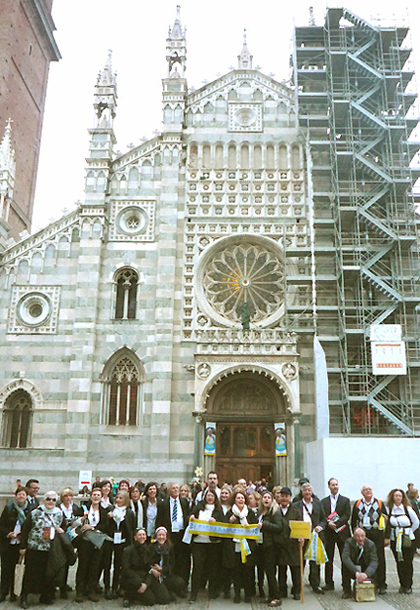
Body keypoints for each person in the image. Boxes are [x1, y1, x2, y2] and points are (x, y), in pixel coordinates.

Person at [19, 491, 64, 609]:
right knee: (30, 573)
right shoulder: (35, 512)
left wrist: (61, 530)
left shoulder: (59, 513)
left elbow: (63, 528)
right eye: (48, 499)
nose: (51, 502)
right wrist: (23, 546)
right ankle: (24, 597)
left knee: (47, 574)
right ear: (44, 500)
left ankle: (44, 595)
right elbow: (26, 530)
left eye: (54, 500)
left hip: (50, 549)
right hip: (34, 547)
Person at [74, 487, 110, 603]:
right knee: (83, 565)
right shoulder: (83, 509)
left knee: (95, 566)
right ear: (90, 496)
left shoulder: (104, 511)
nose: (96, 497)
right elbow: (74, 523)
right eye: (94, 494)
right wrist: (83, 518)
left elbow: (105, 526)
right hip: (85, 542)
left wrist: (93, 527)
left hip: (97, 542)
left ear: (101, 497)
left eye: (98, 495)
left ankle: (91, 590)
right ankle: (80, 590)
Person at [222, 488, 258, 603]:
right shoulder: (230, 513)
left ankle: (247, 594)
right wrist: (229, 522)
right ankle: (237, 593)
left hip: (247, 546)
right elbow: (223, 529)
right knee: (236, 571)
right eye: (238, 498)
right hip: (234, 547)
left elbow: (255, 528)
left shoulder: (250, 513)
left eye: (242, 498)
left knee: (247, 571)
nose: (240, 500)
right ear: (234, 500)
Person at [351, 484, 388, 594]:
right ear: (362, 492)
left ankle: (381, 584)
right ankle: (368, 581)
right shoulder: (358, 504)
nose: (368, 491)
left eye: (369, 489)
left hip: (377, 534)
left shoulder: (379, 503)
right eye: (365, 490)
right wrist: (355, 534)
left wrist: (386, 537)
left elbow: (387, 520)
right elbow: (354, 520)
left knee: (379, 558)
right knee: (364, 558)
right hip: (364, 534)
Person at [189, 489, 223, 602]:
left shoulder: (218, 509)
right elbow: (190, 517)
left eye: (212, 496)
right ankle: (194, 593)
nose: (210, 498)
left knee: (212, 568)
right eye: (208, 495)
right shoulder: (198, 507)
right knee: (197, 568)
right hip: (199, 542)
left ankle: (212, 591)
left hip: (213, 544)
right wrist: (192, 518)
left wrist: (216, 521)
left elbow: (223, 524)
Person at [156, 482, 190, 594]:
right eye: (173, 488)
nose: (175, 490)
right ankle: (171, 584)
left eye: (177, 488)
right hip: (169, 535)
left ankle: (183, 585)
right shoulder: (163, 504)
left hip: (181, 534)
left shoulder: (185, 502)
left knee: (183, 560)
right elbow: (159, 520)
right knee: (171, 559)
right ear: (169, 491)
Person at [385, 488, 419, 594]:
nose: (398, 498)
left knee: (408, 562)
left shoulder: (408, 509)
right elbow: (388, 524)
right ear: (392, 497)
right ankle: (402, 584)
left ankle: (408, 585)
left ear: (403, 497)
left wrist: (408, 532)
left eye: (400, 496)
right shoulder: (390, 509)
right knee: (399, 562)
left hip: (407, 540)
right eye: (396, 496)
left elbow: (416, 522)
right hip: (395, 540)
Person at [321, 477, 351, 597]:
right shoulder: (323, 502)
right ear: (329, 486)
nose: (335, 487)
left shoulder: (345, 500)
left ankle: (346, 585)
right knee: (329, 559)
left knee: (345, 559)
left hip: (342, 533)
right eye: (333, 485)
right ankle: (329, 582)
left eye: (336, 484)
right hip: (329, 533)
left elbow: (347, 515)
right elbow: (322, 515)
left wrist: (336, 524)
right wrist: (328, 523)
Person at [294, 482, 326, 594]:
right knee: (300, 562)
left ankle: (315, 584)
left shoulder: (318, 504)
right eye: (305, 490)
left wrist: (320, 527)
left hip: (315, 536)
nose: (307, 492)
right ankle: (298, 586)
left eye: (309, 490)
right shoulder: (297, 505)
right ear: (302, 492)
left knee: (315, 562)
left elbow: (324, 519)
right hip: (302, 536)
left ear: (311, 492)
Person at [0, 486, 30, 603]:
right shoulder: (8, 508)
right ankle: (3, 592)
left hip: (20, 545)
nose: (21, 496)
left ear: (26, 497)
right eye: (19, 494)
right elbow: (1, 525)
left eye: (23, 494)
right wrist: (8, 533)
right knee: (6, 569)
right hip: (8, 544)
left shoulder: (30, 510)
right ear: (15, 496)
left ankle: (14, 593)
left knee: (18, 569)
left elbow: (30, 528)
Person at [121, 527, 165, 607]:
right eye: (139, 535)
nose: (142, 536)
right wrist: (139, 582)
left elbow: (149, 568)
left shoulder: (148, 550)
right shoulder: (128, 550)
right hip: (132, 578)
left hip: (144, 577)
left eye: (143, 534)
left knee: (158, 599)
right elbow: (126, 570)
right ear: (135, 537)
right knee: (150, 601)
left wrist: (146, 584)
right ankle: (129, 596)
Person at [107, 490, 136, 598]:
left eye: (121, 498)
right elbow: (107, 526)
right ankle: (110, 588)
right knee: (110, 564)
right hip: (111, 540)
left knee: (121, 565)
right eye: (117, 498)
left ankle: (120, 587)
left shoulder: (129, 512)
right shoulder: (111, 510)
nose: (118, 500)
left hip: (124, 542)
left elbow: (132, 528)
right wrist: (109, 518)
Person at [57, 487, 84, 599]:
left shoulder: (75, 508)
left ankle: (64, 584)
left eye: (70, 496)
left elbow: (79, 522)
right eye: (66, 496)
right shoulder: (58, 508)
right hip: (61, 538)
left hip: (72, 537)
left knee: (69, 561)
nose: (68, 498)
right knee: (60, 562)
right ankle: (60, 585)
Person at [276, 486, 302, 600]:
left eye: (286, 496)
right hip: (280, 544)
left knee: (295, 569)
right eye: (282, 496)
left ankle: (296, 590)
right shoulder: (275, 510)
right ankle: (282, 590)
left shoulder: (296, 510)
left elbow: (301, 526)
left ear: (290, 498)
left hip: (292, 544)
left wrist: (301, 537)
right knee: (282, 570)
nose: (284, 499)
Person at [257, 492, 283, 607]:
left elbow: (278, 527)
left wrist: (265, 525)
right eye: (264, 497)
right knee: (267, 571)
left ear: (272, 500)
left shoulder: (275, 512)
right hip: (262, 545)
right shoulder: (262, 512)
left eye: (268, 497)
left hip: (271, 546)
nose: (266, 499)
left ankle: (276, 597)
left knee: (271, 572)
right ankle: (271, 595)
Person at [149, 527, 185, 599]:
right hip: (154, 575)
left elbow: (172, 564)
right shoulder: (150, 547)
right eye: (159, 535)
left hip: (165, 574)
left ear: (166, 537)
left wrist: (162, 569)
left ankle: (167, 589)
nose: (161, 537)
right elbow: (148, 562)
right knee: (165, 599)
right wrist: (154, 569)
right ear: (156, 537)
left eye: (163, 535)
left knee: (180, 582)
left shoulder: (170, 548)